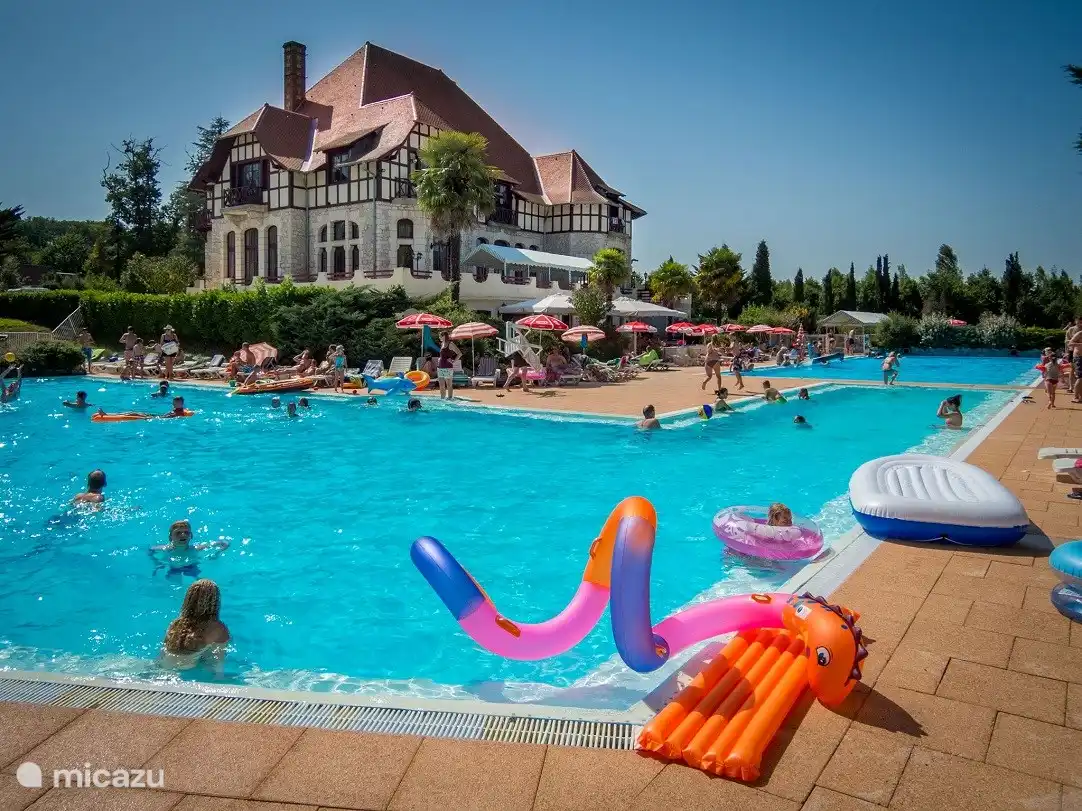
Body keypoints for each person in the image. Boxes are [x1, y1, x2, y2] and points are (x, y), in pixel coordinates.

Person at [159, 579, 230, 676]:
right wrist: (219, 677)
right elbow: (217, 662)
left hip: (165, 665)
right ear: (215, 602)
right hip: (187, 668)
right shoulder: (218, 628)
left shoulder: (175, 623)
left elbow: (162, 652)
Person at [149, 520, 229, 578]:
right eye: (178, 533)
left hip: (191, 566)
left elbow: (224, 543)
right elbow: (150, 550)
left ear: (191, 536)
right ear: (170, 537)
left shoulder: (195, 548)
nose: (183, 535)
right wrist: (157, 563)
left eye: (186, 532)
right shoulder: (165, 549)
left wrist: (217, 553)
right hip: (174, 568)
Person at [437, 332, 460, 400]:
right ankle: (442, 399)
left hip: (448, 367)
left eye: (440, 336)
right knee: (441, 385)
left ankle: (449, 399)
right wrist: (439, 359)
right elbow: (443, 355)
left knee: (449, 384)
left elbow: (459, 353)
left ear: (444, 336)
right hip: (440, 366)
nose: (439, 338)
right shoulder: (442, 344)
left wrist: (454, 361)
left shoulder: (451, 344)